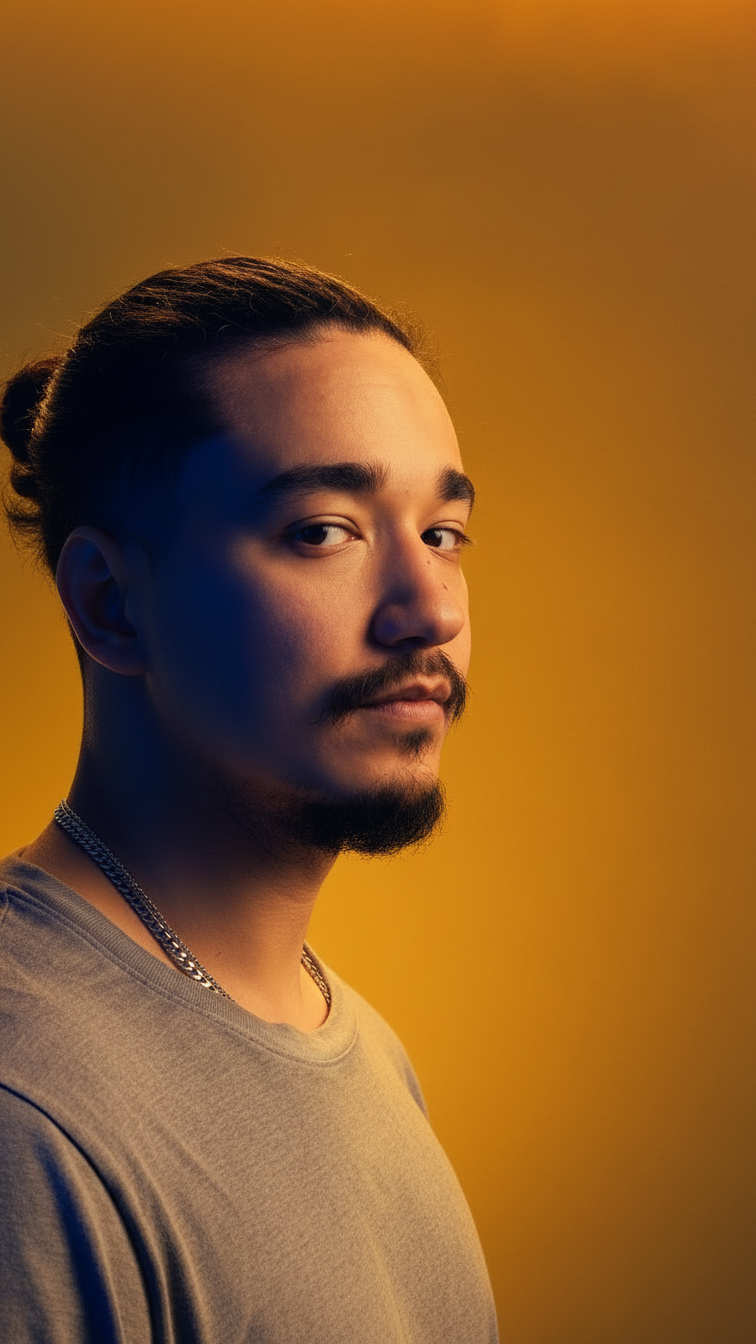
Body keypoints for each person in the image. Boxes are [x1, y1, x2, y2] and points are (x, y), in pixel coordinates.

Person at [0, 257, 497, 1342]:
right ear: (111, 604)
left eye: (441, 534)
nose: (426, 611)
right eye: (324, 532)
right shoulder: (25, 1120)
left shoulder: (357, 1047)